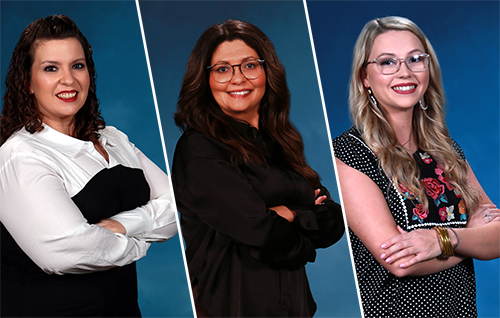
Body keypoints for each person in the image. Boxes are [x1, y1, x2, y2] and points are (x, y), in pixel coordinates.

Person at [0, 15, 178, 318]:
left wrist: (123, 226)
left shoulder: (113, 138)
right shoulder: (21, 155)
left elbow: (179, 204)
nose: (68, 80)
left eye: (77, 65)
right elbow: (66, 252)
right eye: (50, 68)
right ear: (27, 82)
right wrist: (140, 243)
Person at [171, 19, 345, 318]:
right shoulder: (199, 148)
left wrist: (289, 214)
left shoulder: (282, 143)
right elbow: (262, 231)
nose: (238, 79)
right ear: (206, 79)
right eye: (223, 69)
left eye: (249, 65)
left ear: (267, 71)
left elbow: (333, 219)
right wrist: (302, 219)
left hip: (295, 307)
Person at [331, 16, 500, 318]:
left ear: (428, 68)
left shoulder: (446, 150)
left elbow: (498, 237)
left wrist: (439, 240)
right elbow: (399, 262)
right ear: (364, 78)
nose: (404, 72)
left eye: (415, 59)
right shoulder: (349, 153)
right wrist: (469, 236)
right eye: (387, 62)